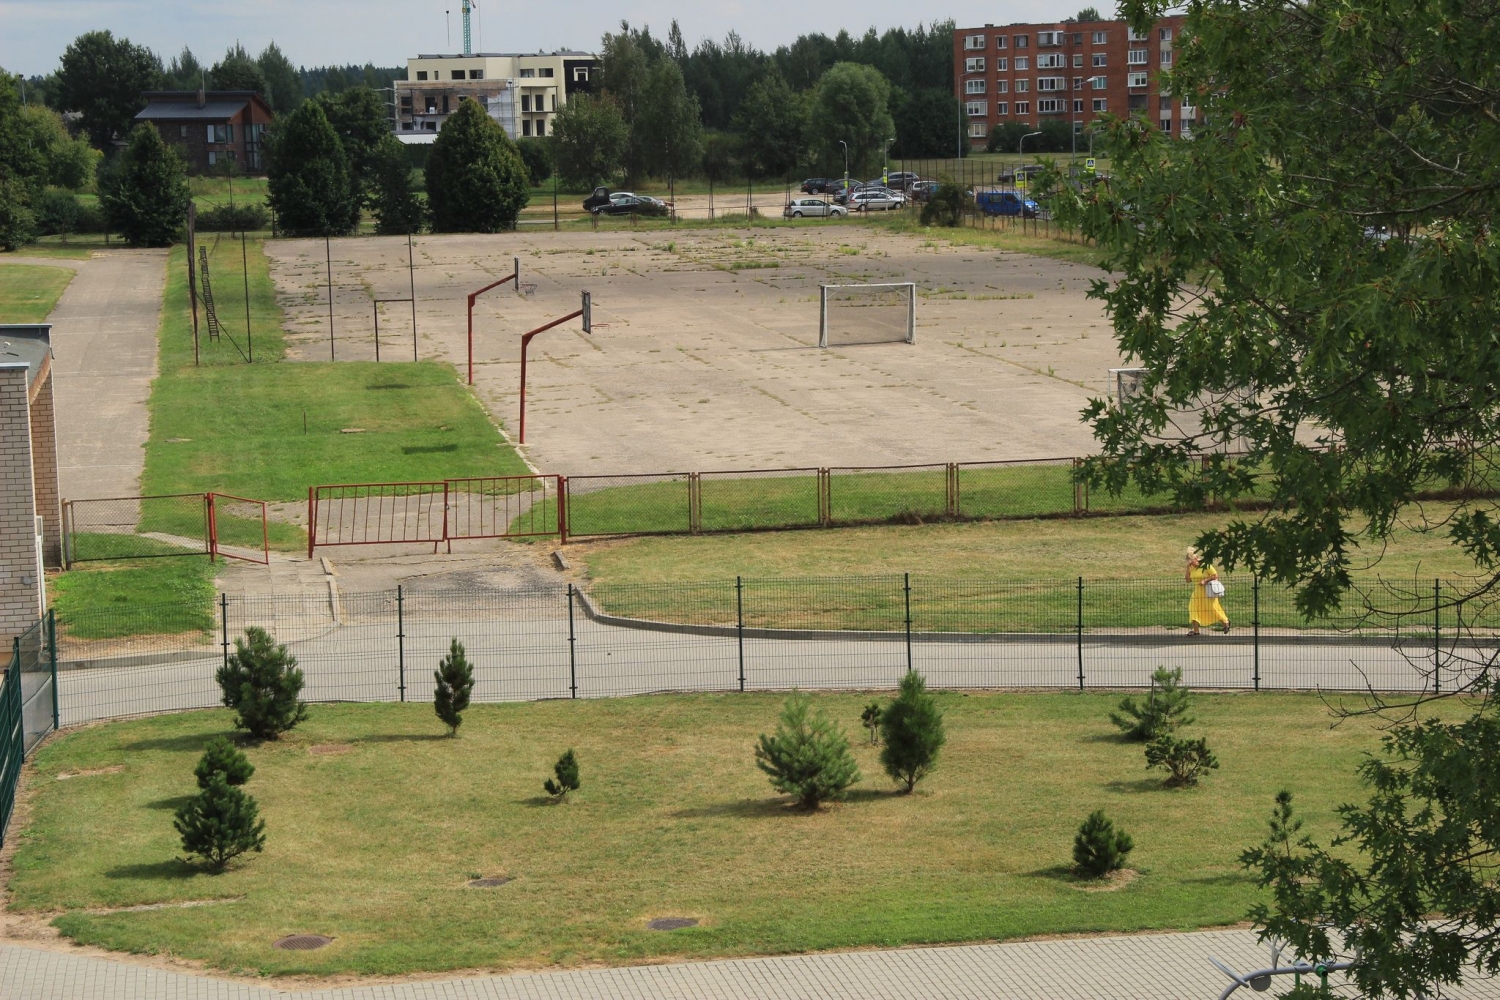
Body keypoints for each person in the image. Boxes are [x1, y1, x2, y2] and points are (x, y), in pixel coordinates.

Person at [1185, 547, 1230, 635]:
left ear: (1196, 558)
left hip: (1208, 591)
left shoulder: (1206, 565)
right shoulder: (1191, 568)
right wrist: (1187, 569)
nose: (1191, 564)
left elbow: (1215, 576)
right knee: (1193, 609)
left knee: (1212, 608)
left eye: (1191, 561)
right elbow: (1188, 580)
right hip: (1197, 592)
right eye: (1189, 562)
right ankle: (1196, 630)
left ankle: (1226, 623)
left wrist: (1205, 580)